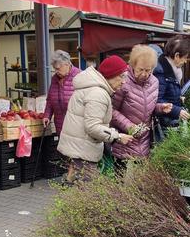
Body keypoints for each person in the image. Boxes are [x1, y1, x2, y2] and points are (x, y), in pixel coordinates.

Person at [57, 55, 133, 183]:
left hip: (80, 147)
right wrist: (118, 136)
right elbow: (92, 127)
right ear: (110, 75)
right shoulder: (98, 94)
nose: (124, 81)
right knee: (90, 194)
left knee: (83, 190)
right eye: (122, 76)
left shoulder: (92, 88)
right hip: (84, 150)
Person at [110, 45, 173, 164]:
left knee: (140, 179)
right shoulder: (123, 81)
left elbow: (147, 106)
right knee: (121, 179)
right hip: (125, 140)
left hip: (145, 141)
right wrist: (130, 127)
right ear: (133, 66)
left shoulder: (154, 82)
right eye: (140, 69)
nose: (144, 74)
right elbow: (111, 110)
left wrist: (160, 108)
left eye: (148, 70)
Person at [153, 35, 190, 137]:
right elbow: (156, 101)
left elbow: (167, 95)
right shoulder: (161, 72)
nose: (186, 61)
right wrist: (177, 110)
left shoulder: (172, 71)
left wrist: (178, 99)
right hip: (164, 125)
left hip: (169, 122)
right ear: (176, 56)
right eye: (185, 58)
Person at [43, 50, 80, 135]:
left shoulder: (79, 76)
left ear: (67, 64)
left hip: (76, 127)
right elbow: (50, 100)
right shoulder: (54, 79)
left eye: (58, 68)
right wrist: (47, 116)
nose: (56, 71)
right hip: (60, 126)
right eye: (54, 69)